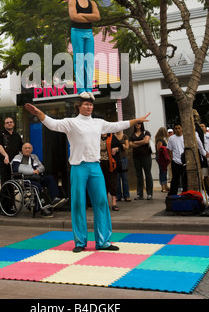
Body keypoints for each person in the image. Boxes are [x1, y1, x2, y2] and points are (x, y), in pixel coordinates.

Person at [25, 99, 150, 253]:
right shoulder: (71, 122)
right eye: (85, 104)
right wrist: (38, 113)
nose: (89, 106)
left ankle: (103, 241)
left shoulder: (99, 122)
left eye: (90, 104)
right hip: (78, 167)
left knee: (102, 202)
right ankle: (80, 242)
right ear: (79, 106)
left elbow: (117, 125)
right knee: (78, 203)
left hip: (95, 167)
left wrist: (136, 120)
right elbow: (52, 124)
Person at [11, 142, 66, 217]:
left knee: (50, 178)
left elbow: (42, 167)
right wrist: (32, 171)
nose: (27, 150)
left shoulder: (34, 157)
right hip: (24, 179)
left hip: (36, 177)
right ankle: (41, 208)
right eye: (25, 148)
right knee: (37, 186)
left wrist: (37, 171)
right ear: (22, 149)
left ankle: (55, 198)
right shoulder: (18, 157)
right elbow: (17, 169)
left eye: (29, 148)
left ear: (32, 149)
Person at [68, 0, 100, 100]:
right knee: (79, 59)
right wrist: (89, 17)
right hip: (77, 32)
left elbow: (97, 17)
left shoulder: (92, 3)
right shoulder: (72, 1)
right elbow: (74, 17)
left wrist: (81, 15)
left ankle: (89, 89)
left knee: (89, 61)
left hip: (89, 33)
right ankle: (81, 89)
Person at [167, 122, 208, 196]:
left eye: (179, 128)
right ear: (174, 130)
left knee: (185, 178)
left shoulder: (186, 137)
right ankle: (172, 193)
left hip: (185, 160)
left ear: (182, 128)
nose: (178, 130)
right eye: (176, 129)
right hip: (176, 160)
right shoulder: (171, 138)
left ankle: (185, 192)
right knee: (175, 178)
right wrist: (171, 158)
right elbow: (169, 149)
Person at [0, 117, 23, 187]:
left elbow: (21, 148)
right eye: (7, 123)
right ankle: (5, 198)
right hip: (4, 163)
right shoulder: (0, 134)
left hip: (15, 163)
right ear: (4, 125)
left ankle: (12, 198)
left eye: (11, 122)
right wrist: (6, 155)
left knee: (15, 183)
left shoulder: (17, 135)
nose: (9, 124)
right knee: (6, 183)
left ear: (13, 124)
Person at [129, 122, 153, 200]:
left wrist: (135, 142)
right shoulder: (132, 134)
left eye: (139, 123)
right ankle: (140, 194)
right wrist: (141, 142)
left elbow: (146, 141)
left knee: (148, 174)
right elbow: (130, 145)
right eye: (136, 123)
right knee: (139, 175)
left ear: (142, 124)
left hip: (146, 156)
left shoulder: (146, 132)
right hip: (136, 157)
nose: (137, 124)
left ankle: (149, 194)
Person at [100, 133, 123, 211]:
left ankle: (114, 203)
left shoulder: (111, 137)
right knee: (103, 183)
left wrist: (116, 149)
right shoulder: (96, 136)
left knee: (112, 183)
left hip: (111, 163)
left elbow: (121, 147)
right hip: (100, 163)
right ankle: (106, 203)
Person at [115, 131, 131, 202]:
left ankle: (126, 195)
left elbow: (127, 147)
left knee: (124, 177)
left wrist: (118, 147)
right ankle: (118, 196)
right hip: (115, 158)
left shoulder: (125, 136)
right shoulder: (113, 136)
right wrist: (122, 145)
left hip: (123, 158)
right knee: (117, 178)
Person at [155, 127, 170, 193]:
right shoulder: (160, 140)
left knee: (164, 171)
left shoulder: (160, 139)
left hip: (162, 157)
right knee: (162, 171)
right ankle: (163, 186)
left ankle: (165, 185)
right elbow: (159, 148)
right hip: (161, 157)